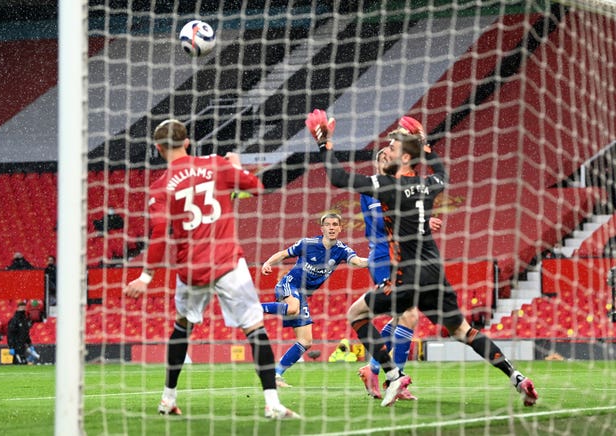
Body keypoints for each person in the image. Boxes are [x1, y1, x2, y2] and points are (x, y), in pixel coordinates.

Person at [306, 108, 538, 408]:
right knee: (463, 331)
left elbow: (338, 177)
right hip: (436, 275)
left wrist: (324, 145)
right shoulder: (429, 185)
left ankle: (392, 375)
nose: (386, 151)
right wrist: (425, 145)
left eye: (392, 148)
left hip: (409, 277)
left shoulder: (388, 187)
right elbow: (442, 174)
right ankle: (517, 377)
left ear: (404, 159)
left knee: (356, 314)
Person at [123, 119, 299, 419]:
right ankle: (272, 403)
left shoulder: (160, 186)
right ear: (188, 142)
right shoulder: (216, 165)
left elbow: (159, 233)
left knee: (183, 326)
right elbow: (256, 187)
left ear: (158, 148)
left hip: (191, 269)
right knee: (255, 328)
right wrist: (237, 165)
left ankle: (167, 399)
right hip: (227, 261)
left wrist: (145, 276)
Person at [358, 133, 442, 401]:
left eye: (389, 155)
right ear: (377, 164)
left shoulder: (397, 189)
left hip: (399, 258)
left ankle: (375, 371)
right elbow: (386, 223)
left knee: (400, 318)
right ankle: (393, 378)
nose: (387, 158)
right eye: (382, 157)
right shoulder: (372, 190)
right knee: (409, 316)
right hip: (383, 259)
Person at [260, 212, 368, 387]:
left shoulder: (341, 250)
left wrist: (380, 259)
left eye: (335, 224)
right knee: (293, 307)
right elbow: (283, 254)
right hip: (288, 285)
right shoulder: (307, 243)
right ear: (322, 228)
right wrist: (267, 263)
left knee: (306, 341)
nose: (331, 227)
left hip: (301, 295)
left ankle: (276, 374)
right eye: (328, 224)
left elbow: (358, 262)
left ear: (340, 228)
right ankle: (254, 308)